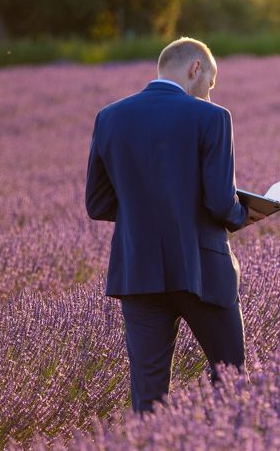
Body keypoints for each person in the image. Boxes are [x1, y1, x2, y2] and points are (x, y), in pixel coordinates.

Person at [85, 36, 266, 413]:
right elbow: (219, 201)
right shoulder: (211, 117)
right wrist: (247, 213)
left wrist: (145, 210)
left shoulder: (110, 116)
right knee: (230, 379)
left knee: (148, 397)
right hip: (201, 268)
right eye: (211, 83)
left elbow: (98, 203)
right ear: (195, 68)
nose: (210, 93)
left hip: (138, 271)